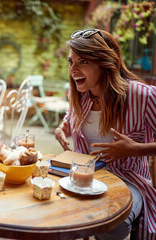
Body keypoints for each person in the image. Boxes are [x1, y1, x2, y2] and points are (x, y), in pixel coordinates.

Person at [54, 29, 156, 240]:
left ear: (104, 63)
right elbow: (70, 114)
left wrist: (135, 150)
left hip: (129, 180)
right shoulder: (81, 95)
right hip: (84, 178)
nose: (73, 70)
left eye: (82, 61)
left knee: (111, 225)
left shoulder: (141, 96)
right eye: (71, 62)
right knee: (53, 208)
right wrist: (63, 127)